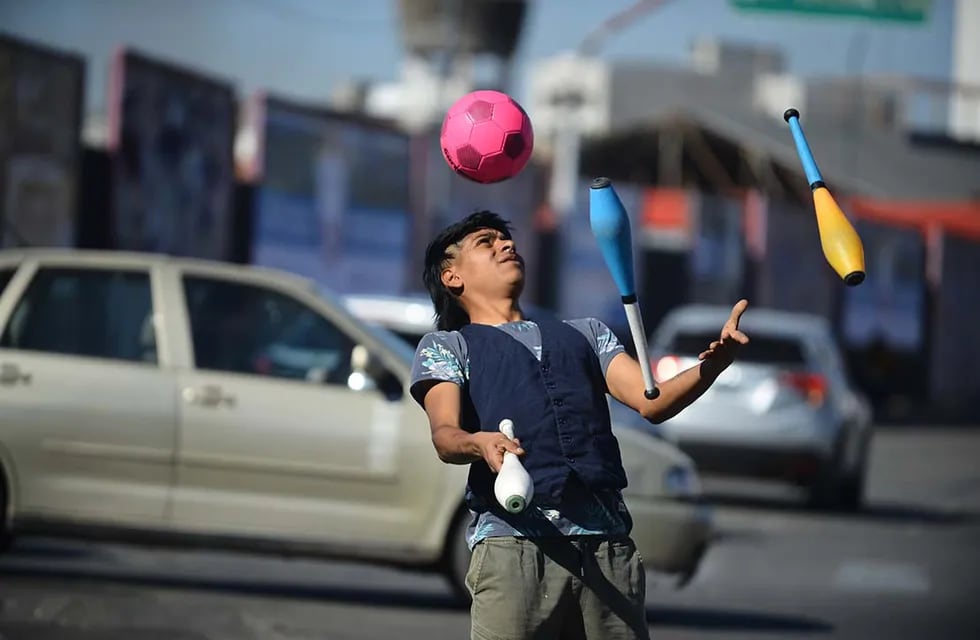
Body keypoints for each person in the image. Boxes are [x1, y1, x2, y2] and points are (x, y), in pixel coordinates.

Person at [410, 211, 749, 640]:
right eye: (486, 241)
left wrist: (713, 367)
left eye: (506, 238)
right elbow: (445, 434)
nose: (506, 245)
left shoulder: (588, 334)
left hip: (606, 548)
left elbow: (654, 402)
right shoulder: (447, 346)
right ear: (452, 276)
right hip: (514, 547)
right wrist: (478, 443)